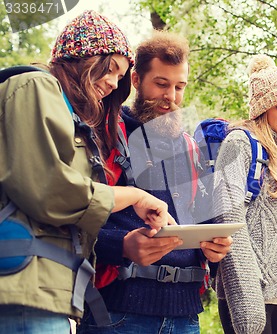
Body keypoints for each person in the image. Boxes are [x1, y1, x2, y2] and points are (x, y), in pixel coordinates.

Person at [0, 10, 174, 334]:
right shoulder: (34, 85)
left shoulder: (70, 113)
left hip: (51, 294)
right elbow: (50, 189)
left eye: (120, 78)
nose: (112, 84)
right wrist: (134, 196)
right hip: (23, 290)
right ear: (82, 55)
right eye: (110, 69)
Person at [77, 30, 232, 334]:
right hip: (114, 312)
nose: (171, 97)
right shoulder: (103, 134)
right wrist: (118, 246)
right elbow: (72, 210)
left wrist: (214, 248)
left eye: (179, 87)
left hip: (185, 315)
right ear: (135, 80)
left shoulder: (190, 146)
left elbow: (202, 221)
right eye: (161, 84)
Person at [213, 54, 277, 334]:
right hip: (251, 291)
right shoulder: (239, 143)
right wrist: (246, 294)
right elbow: (229, 216)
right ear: (262, 108)